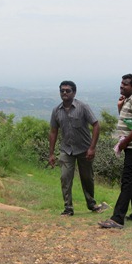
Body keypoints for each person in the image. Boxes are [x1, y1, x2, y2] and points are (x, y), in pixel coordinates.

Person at [48, 80, 108, 216]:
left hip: (84, 149)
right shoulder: (56, 111)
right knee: (65, 178)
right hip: (66, 149)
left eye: (68, 91)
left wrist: (92, 148)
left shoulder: (83, 107)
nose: (64, 93)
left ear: (74, 93)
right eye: (62, 90)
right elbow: (53, 131)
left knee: (87, 178)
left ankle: (92, 204)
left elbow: (96, 125)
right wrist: (51, 154)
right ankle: (68, 208)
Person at [98, 74, 132, 229]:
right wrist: (120, 107)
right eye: (121, 84)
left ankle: (117, 218)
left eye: (125, 85)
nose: (121, 87)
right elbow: (129, 120)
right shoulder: (129, 100)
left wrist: (124, 143)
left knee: (127, 181)